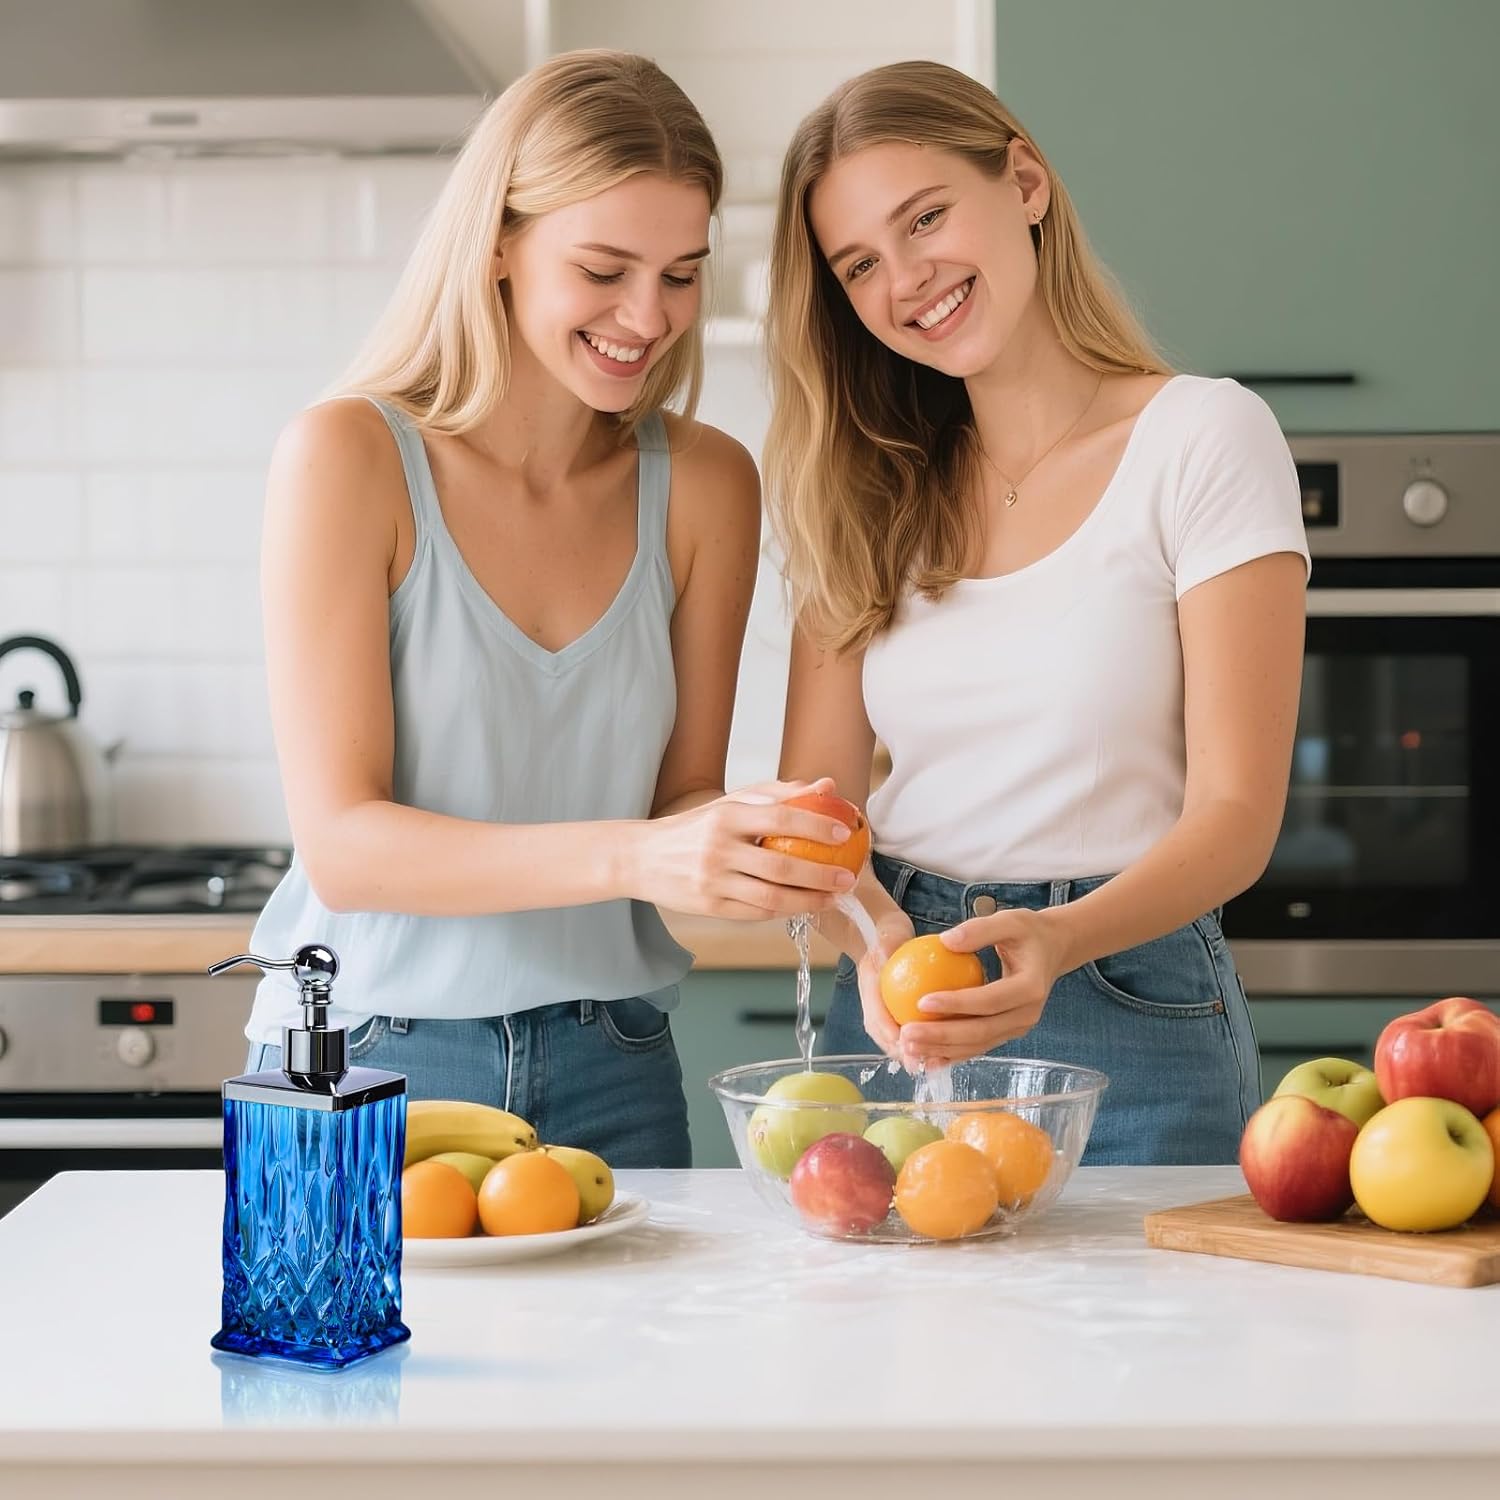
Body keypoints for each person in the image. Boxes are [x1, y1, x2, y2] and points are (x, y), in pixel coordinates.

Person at [241, 51, 858, 1168]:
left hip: (613, 1053)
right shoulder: (348, 458)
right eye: (605, 268)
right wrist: (641, 857)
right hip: (371, 1055)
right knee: (360, 1352)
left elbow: (680, 799)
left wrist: (745, 844)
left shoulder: (705, 484)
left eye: (681, 273)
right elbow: (346, 847)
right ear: (499, 249)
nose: (648, 315)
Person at [763, 61, 1310, 1165]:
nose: (908, 278)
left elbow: (1238, 815)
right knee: (893, 1342)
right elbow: (815, 819)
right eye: (861, 263)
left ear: (1023, 182)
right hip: (905, 999)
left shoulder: (1204, 437)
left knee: (1141, 1339)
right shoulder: (863, 482)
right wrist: (875, 948)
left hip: (1130, 990)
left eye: (926, 218)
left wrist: (1057, 940)